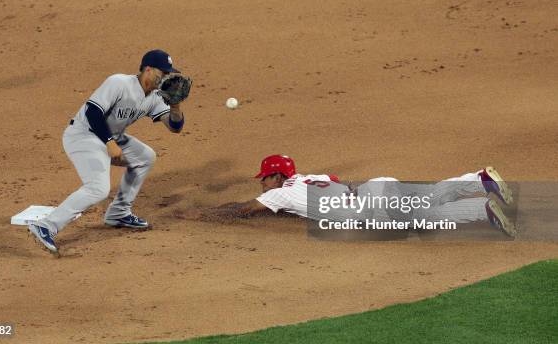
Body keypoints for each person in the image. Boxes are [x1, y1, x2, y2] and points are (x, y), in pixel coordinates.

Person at [28, 49, 190, 254]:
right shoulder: (119, 83)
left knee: (145, 156)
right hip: (83, 136)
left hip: (110, 137)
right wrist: (109, 142)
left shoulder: (158, 97)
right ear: (148, 69)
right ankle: (46, 226)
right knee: (98, 188)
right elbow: (93, 112)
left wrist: (175, 106)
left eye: (168, 73)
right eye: (163, 72)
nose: (166, 78)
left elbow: (175, 127)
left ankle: (118, 213)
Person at [185, 155, 516, 237]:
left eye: (264, 179)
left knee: (428, 218)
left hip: (373, 209)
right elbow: (332, 179)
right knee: (429, 196)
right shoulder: (306, 178)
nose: (262, 185)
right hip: (374, 189)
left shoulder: (280, 195)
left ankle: (480, 209)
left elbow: (245, 210)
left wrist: (205, 214)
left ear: (276, 176)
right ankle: (480, 179)